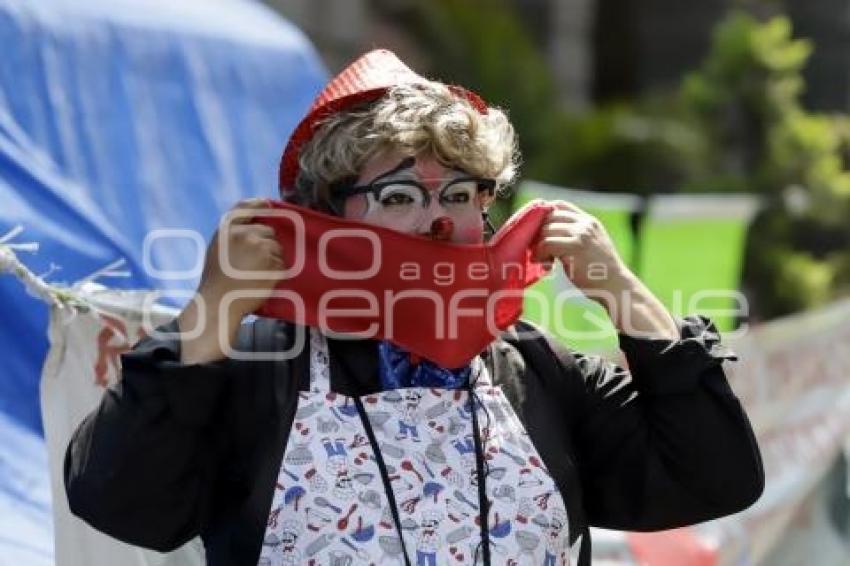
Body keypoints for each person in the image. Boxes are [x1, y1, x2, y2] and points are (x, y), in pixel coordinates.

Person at [64, 49, 764, 566]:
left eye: (459, 196)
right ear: (327, 215)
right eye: (400, 196)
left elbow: (712, 477)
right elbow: (124, 504)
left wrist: (620, 289)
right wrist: (212, 311)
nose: (436, 220)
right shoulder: (256, 363)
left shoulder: (529, 364)